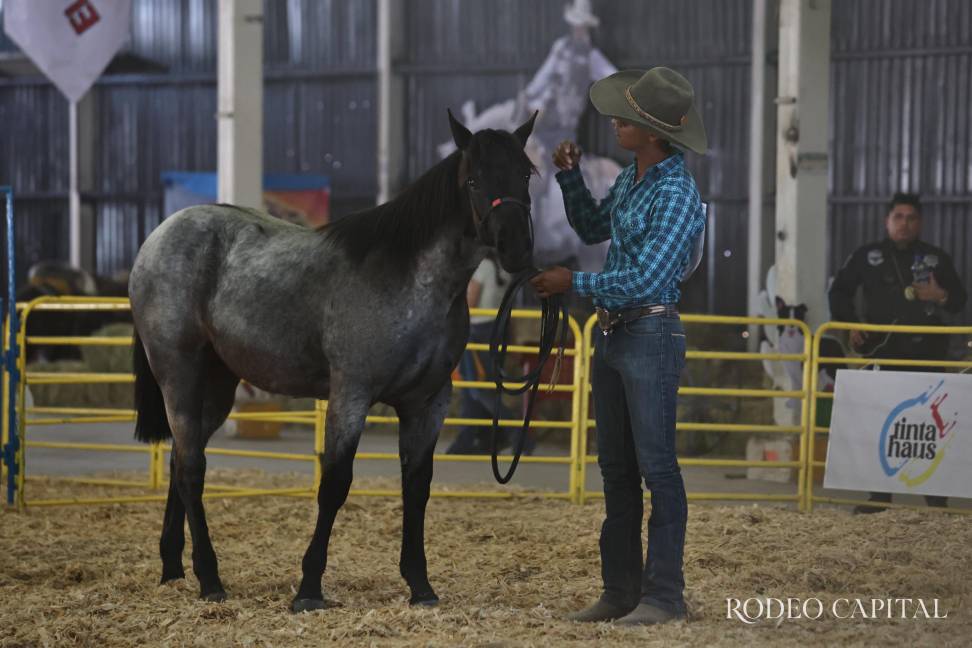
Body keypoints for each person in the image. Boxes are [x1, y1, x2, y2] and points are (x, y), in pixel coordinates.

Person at [532, 67, 707, 626]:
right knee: (617, 469)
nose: (614, 123)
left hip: (649, 332)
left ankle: (664, 595)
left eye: (624, 118)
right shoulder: (635, 177)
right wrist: (569, 176)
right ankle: (620, 590)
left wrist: (573, 284)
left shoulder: (678, 191)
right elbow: (590, 229)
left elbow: (649, 279)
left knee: (657, 468)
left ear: (651, 132)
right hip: (617, 333)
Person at [829, 192, 966, 514]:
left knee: (928, 428)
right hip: (883, 354)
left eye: (911, 218)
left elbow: (960, 299)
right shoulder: (867, 255)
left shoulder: (936, 258)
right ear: (887, 221)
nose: (905, 224)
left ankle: (937, 502)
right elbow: (839, 291)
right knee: (882, 425)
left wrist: (940, 294)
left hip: (927, 357)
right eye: (898, 217)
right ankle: (878, 499)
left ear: (920, 223)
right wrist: (850, 324)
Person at [446, 254, 535, 455]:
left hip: (477, 331)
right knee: (476, 388)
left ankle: (517, 433)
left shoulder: (482, 267)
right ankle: (468, 439)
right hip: (498, 329)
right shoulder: (504, 268)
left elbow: (470, 302)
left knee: (478, 389)